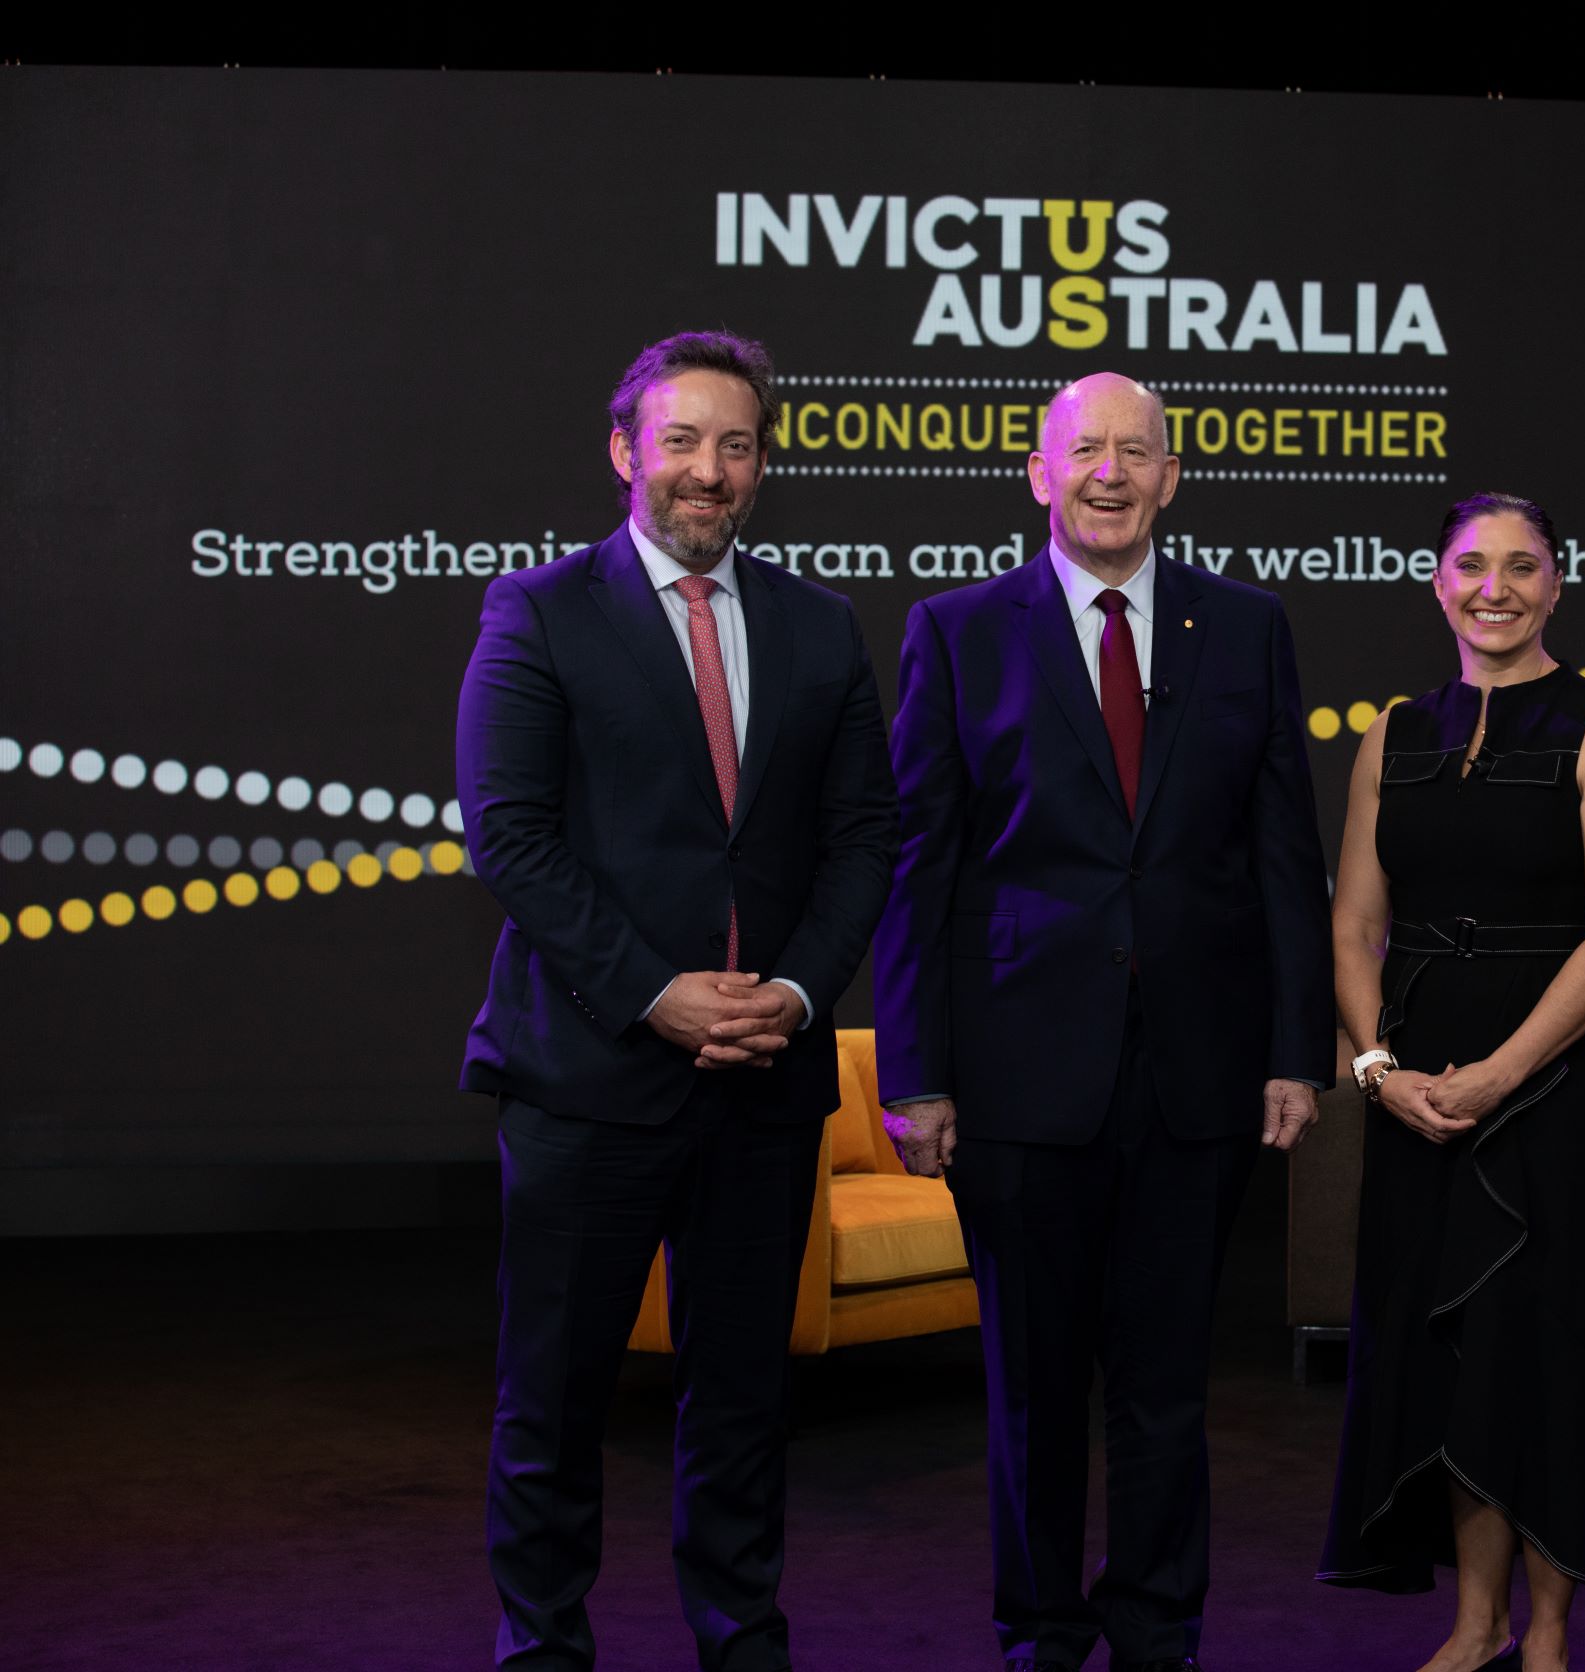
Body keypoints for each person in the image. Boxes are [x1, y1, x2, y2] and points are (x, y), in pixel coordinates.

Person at [872, 372, 1335, 1672]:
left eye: (1138, 452)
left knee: (1167, 1384)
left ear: (1173, 476)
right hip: (1019, 1076)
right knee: (1034, 1386)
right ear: (1039, 471)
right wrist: (916, 1073)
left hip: (1199, 1073)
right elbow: (925, 865)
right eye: (1088, 451)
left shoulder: (1241, 627)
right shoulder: (958, 631)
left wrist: (1298, 1048)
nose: (1112, 474)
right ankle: (1040, 1631)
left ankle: (1157, 1631)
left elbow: (1280, 851)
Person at [456, 330, 897, 1672]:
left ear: (763, 465)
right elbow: (510, 838)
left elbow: (867, 836)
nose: (712, 470)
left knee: (746, 1402)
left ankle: (741, 1639)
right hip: (588, 1079)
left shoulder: (820, 626)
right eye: (685, 440)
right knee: (557, 1400)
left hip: (765, 1080)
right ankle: (543, 1649)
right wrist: (656, 996)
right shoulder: (536, 610)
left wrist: (800, 993)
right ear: (625, 452)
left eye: (739, 445)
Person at [1317, 492, 1585, 1672]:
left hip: (1555, 1097)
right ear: (1436, 581)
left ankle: (1551, 1638)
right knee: (1452, 1359)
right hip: (1414, 1097)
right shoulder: (1393, 734)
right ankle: (1474, 1627)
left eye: (1523, 567)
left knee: (1554, 1358)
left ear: (1557, 585)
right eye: (1472, 565)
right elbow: (1356, 922)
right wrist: (1382, 1069)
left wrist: (1502, 1076)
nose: (1496, 587)